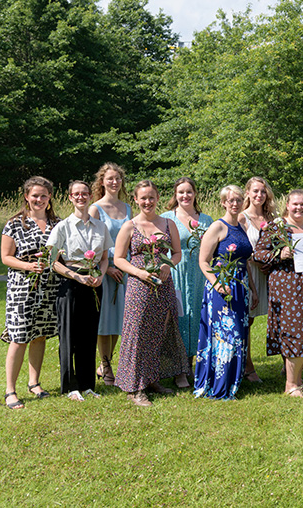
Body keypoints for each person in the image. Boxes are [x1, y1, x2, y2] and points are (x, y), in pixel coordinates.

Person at [113, 180, 190, 407]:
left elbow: (177, 253)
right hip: (139, 286)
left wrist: (167, 264)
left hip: (164, 284)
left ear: (157, 198)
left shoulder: (168, 224)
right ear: (135, 200)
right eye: (143, 198)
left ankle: (152, 379)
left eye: (151, 197)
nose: (148, 202)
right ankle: (134, 388)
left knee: (159, 332)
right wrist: (139, 272)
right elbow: (118, 259)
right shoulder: (129, 226)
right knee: (137, 334)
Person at [253, 189, 303, 398]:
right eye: (295, 204)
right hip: (287, 288)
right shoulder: (276, 227)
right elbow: (259, 254)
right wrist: (279, 254)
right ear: (287, 205)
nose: (299, 208)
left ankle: (297, 380)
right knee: (294, 332)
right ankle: (290, 386)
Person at [48, 181, 112, 401]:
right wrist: (76, 276)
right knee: (69, 336)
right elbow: (53, 262)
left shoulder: (100, 227)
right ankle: (70, 386)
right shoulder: (63, 227)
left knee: (88, 334)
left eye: (85, 193)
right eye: (77, 194)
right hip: (71, 284)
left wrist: (101, 276)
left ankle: (87, 384)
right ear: (70, 197)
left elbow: (104, 259)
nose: (81, 197)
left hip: (94, 284)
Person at [0, 177, 60, 409]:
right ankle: (10, 390)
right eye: (35, 195)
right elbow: (6, 257)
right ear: (26, 196)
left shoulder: (57, 223)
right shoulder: (15, 224)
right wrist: (28, 266)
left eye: (43, 195)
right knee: (19, 337)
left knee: (40, 335)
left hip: (49, 287)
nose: (39, 199)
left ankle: (34, 383)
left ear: (50, 197)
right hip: (22, 288)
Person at [194, 185, 256, 399]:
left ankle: (234, 379)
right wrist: (218, 284)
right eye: (231, 200)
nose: (235, 203)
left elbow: (244, 261)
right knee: (226, 334)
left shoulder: (241, 225)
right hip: (222, 288)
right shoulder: (217, 227)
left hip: (241, 285)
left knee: (239, 334)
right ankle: (219, 384)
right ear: (223, 202)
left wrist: (253, 290)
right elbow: (203, 261)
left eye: (239, 199)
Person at [161, 177, 213, 375]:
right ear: (175, 194)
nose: (185, 195)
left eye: (189, 191)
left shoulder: (206, 220)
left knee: (197, 317)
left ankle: (192, 365)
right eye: (181, 192)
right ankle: (178, 368)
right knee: (178, 317)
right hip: (175, 272)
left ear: (195, 193)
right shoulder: (167, 218)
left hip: (200, 275)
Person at [88, 162, 131, 387]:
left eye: (118, 178)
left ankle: (106, 362)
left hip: (125, 271)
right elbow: (91, 244)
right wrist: (109, 268)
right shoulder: (95, 208)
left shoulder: (128, 208)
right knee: (105, 322)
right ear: (102, 181)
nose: (114, 182)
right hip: (106, 271)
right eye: (110, 178)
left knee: (119, 322)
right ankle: (105, 366)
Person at [238, 176, 276, 383]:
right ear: (248, 194)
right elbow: (241, 249)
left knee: (279, 317)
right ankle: (247, 365)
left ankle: (287, 362)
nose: (259, 195)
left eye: (263, 191)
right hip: (250, 273)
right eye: (255, 191)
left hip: (270, 275)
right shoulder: (242, 218)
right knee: (248, 320)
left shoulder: (272, 218)